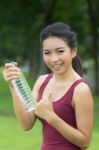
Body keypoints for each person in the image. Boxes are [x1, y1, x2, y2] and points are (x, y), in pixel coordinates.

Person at [3, 22, 93, 150]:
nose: (54, 59)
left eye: (60, 51)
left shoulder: (80, 89)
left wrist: (52, 118)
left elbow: (85, 142)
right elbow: (26, 124)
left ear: (73, 51)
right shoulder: (42, 81)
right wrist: (13, 86)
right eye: (47, 53)